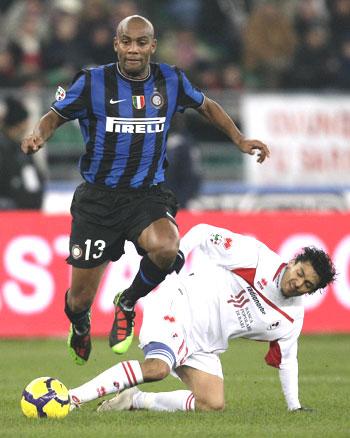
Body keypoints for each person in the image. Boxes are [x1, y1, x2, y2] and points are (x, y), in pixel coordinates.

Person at [21, 15, 270, 366]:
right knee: (78, 299)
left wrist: (240, 139)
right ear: (116, 44)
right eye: (127, 42)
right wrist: (38, 135)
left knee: (168, 246)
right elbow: (54, 116)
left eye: (141, 42)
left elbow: (207, 106)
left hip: (146, 194)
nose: (133, 49)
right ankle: (79, 325)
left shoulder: (171, 79)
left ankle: (127, 302)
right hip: (98, 199)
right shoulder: (93, 83)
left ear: (152, 46)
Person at [68, 223, 336, 413]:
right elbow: (204, 232)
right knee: (157, 369)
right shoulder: (255, 257)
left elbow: (288, 361)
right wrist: (180, 253)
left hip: (206, 343)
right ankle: (71, 399)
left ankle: (134, 401)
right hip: (180, 305)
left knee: (211, 403)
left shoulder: (290, 318)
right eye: (300, 273)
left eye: (307, 285)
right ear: (292, 262)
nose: (297, 283)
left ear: (311, 291)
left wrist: (295, 407)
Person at [0, 97, 44, 210]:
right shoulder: (10, 149)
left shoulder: (20, 148)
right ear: (21, 123)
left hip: (23, 210)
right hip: (11, 212)